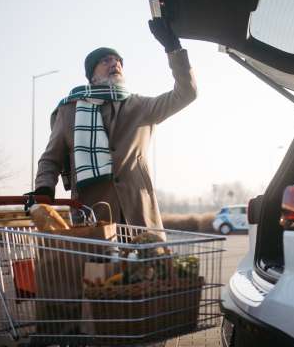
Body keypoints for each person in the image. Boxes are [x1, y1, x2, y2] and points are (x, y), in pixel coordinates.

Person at [28, 18, 197, 228]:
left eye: (118, 60)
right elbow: (51, 160)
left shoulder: (139, 105)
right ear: (93, 76)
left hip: (138, 209)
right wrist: (43, 189)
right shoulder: (69, 110)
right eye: (106, 60)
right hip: (92, 213)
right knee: (97, 262)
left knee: (150, 261)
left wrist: (173, 48)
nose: (115, 64)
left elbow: (186, 94)